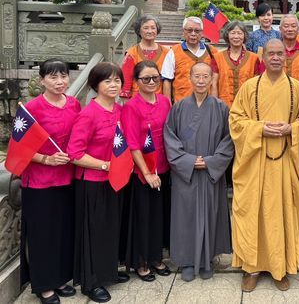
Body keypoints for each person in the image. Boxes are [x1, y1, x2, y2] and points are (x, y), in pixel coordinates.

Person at [229, 39, 299, 292]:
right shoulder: (249, 87)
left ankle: (280, 267)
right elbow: (235, 121)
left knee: (283, 214)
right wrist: (260, 129)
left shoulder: (298, 88)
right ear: (262, 57)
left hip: (286, 161)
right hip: (255, 161)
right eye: (271, 54)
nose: (275, 57)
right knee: (252, 211)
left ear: (286, 57)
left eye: (280, 53)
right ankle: (251, 268)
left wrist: (292, 128)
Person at [164, 62, 234, 281]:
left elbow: (229, 139)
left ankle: (207, 259)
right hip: (187, 172)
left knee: (212, 214)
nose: (201, 81)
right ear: (189, 78)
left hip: (212, 171)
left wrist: (212, 162)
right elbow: (170, 139)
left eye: (206, 77)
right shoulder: (179, 107)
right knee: (186, 215)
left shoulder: (222, 108)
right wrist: (189, 161)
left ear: (211, 79)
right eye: (197, 76)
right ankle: (187, 260)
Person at [67, 62, 129, 303]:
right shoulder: (88, 113)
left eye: (117, 80)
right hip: (92, 182)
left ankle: (108, 271)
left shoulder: (119, 110)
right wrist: (105, 165)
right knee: (93, 233)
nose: (113, 85)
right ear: (95, 85)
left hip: (115, 180)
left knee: (110, 229)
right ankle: (91, 282)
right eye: (107, 81)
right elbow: (75, 153)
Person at [20, 59, 81, 304]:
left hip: (67, 178)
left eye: (64, 76)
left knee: (63, 231)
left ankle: (59, 278)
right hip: (39, 181)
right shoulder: (32, 108)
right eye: (53, 77)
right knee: (42, 234)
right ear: (42, 80)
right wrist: (46, 159)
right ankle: (44, 285)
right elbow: (19, 146)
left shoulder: (74, 104)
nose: (60, 82)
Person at [121, 61, 172, 283]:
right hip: (143, 172)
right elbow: (132, 144)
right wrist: (147, 173)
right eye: (146, 79)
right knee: (143, 217)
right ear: (136, 81)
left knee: (159, 216)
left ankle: (156, 257)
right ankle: (141, 261)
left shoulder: (164, 101)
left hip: (164, 167)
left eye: (155, 78)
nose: (151, 83)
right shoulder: (131, 106)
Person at [161, 17, 218, 103]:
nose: (193, 34)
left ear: (202, 33)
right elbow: (167, 80)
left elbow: (215, 81)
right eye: (189, 30)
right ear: (183, 32)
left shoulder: (212, 52)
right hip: (181, 104)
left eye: (197, 31)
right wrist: (168, 106)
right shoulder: (174, 52)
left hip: (207, 105)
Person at [213, 21, 260, 107]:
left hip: (246, 107)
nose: (236, 36)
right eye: (233, 33)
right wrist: (215, 106)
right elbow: (214, 83)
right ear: (227, 35)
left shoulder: (254, 58)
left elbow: (256, 85)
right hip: (223, 106)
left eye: (239, 33)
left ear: (244, 36)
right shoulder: (217, 58)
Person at [120, 15, 167, 100]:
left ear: (157, 30)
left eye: (153, 28)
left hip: (160, 101)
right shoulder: (132, 53)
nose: (150, 31)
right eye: (146, 28)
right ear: (139, 31)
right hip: (137, 101)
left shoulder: (166, 52)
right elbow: (126, 82)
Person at [261, 14, 299, 86]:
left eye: (293, 26)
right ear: (280, 29)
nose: (290, 29)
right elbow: (261, 76)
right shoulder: (270, 51)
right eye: (286, 26)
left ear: (298, 29)